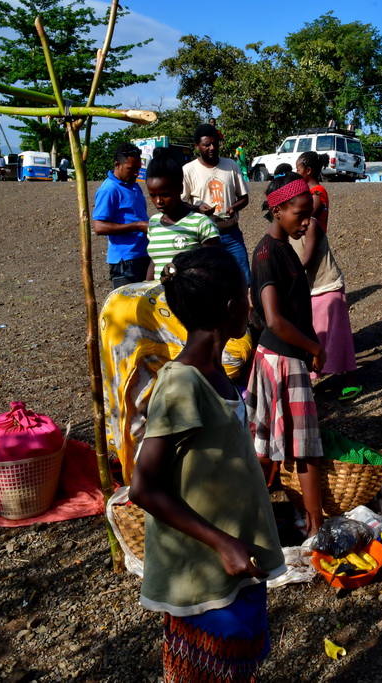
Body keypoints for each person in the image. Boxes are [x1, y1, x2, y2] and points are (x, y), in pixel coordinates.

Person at [129, 247, 285, 681]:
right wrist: (221, 542)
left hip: (235, 555)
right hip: (205, 567)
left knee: (237, 666)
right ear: (233, 308)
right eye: (247, 296)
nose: (252, 303)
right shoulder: (181, 382)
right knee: (209, 668)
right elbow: (145, 487)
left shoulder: (217, 373)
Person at [246, 172, 327, 537]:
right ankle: (314, 526)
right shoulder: (266, 254)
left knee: (272, 443)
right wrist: (314, 347)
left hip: (285, 356)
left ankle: (262, 519)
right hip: (282, 359)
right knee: (302, 448)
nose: (307, 221)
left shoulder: (283, 249)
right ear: (277, 210)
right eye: (300, 213)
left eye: (309, 214)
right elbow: (275, 319)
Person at [293, 151, 361, 400]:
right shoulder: (306, 202)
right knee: (318, 330)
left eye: (298, 168)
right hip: (315, 277)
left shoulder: (316, 195)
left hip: (323, 275)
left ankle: (347, 375)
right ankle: (321, 375)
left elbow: (310, 215)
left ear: (307, 169)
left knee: (334, 332)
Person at [182, 123, 251, 283]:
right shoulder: (188, 170)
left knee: (244, 280)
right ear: (197, 146)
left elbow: (244, 198)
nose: (212, 148)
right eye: (207, 145)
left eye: (215, 143)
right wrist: (198, 209)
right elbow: (182, 203)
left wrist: (234, 207)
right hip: (203, 237)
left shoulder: (231, 166)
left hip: (232, 235)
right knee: (208, 282)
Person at [144, 149, 220, 280]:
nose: (158, 201)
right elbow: (155, 261)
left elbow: (217, 265)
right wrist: (146, 287)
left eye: (165, 195)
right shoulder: (153, 223)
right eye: (152, 195)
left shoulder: (201, 223)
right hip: (159, 299)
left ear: (180, 188)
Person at [93, 143, 150, 289]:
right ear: (117, 165)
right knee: (127, 307)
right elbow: (99, 227)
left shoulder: (133, 185)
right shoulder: (109, 189)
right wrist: (138, 226)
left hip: (142, 254)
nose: (137, 173)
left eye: (138, 169)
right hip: (125, 261)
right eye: (132, 169)